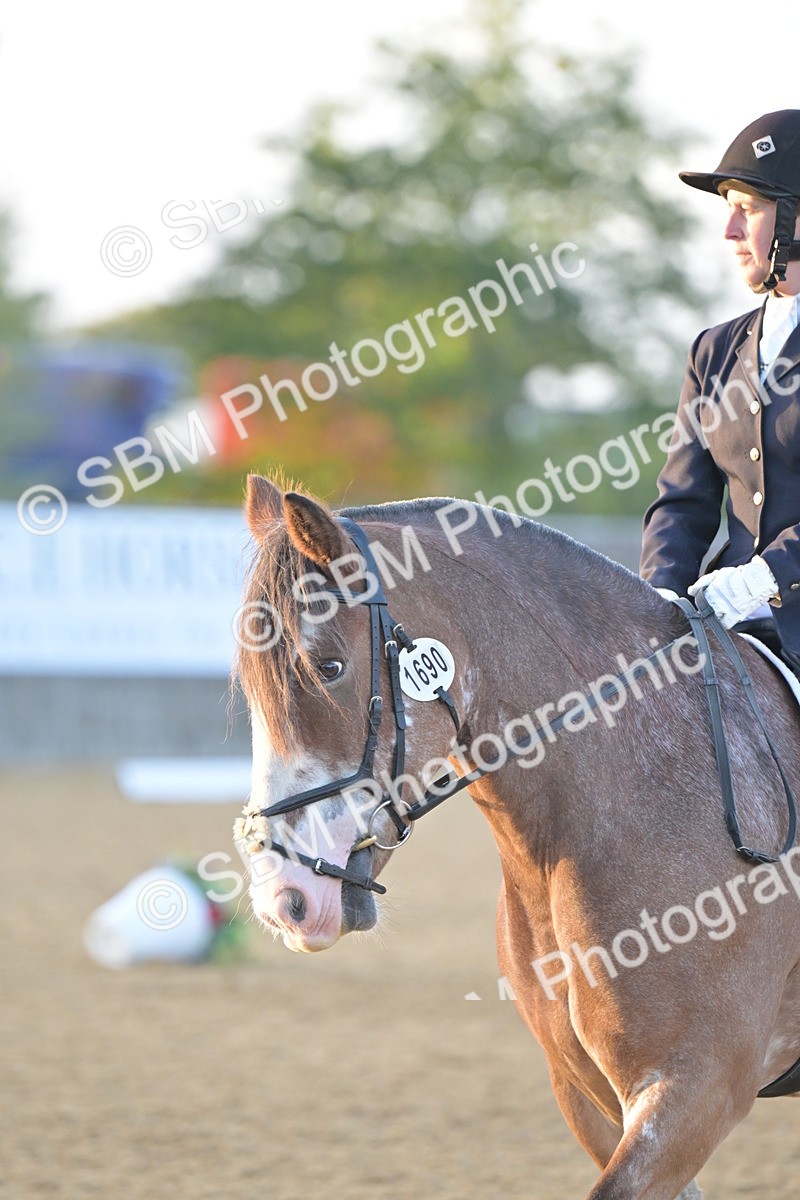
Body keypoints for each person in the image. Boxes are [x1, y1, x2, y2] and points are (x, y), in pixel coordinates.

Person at [640, 110, 800, 672]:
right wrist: (657, 596)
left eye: (748, 210)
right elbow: (683, 500)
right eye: (728, 210)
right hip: (727, 623)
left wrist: (768, 574)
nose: (729, 232)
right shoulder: (714, 349)